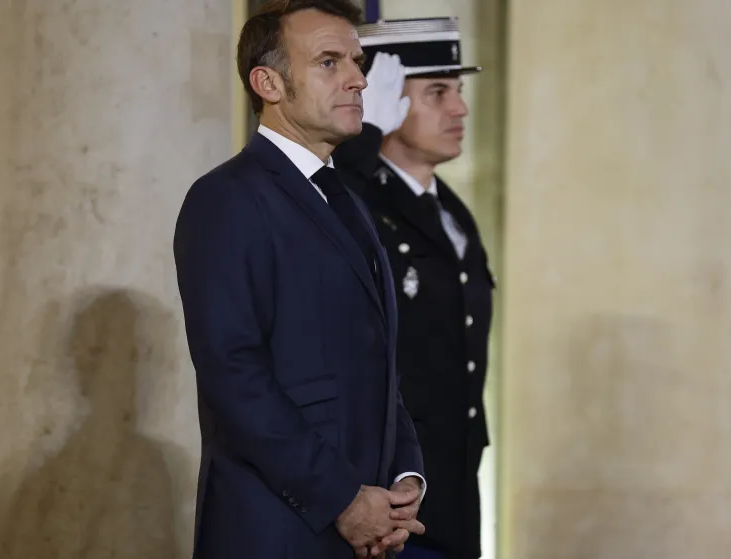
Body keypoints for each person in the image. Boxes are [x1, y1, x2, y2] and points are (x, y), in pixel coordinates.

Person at [173, 2, 427, 557]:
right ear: (268, 82)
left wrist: (405, 478)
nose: (358, 78)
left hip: (369, 520)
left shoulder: (348, 202)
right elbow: (233, 372)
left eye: (356, 62)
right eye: (330, 62)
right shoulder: (226, 198)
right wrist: (342, 498)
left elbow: (377, 363)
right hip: (276, 526)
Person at [332, 17, 495, 559]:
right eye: (436, 92)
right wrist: (360, 143)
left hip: (454, 489)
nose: (460, 109)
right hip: (386, 498)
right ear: (385, 102)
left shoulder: (451, 211)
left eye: (459, 92)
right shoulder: (357, 205)